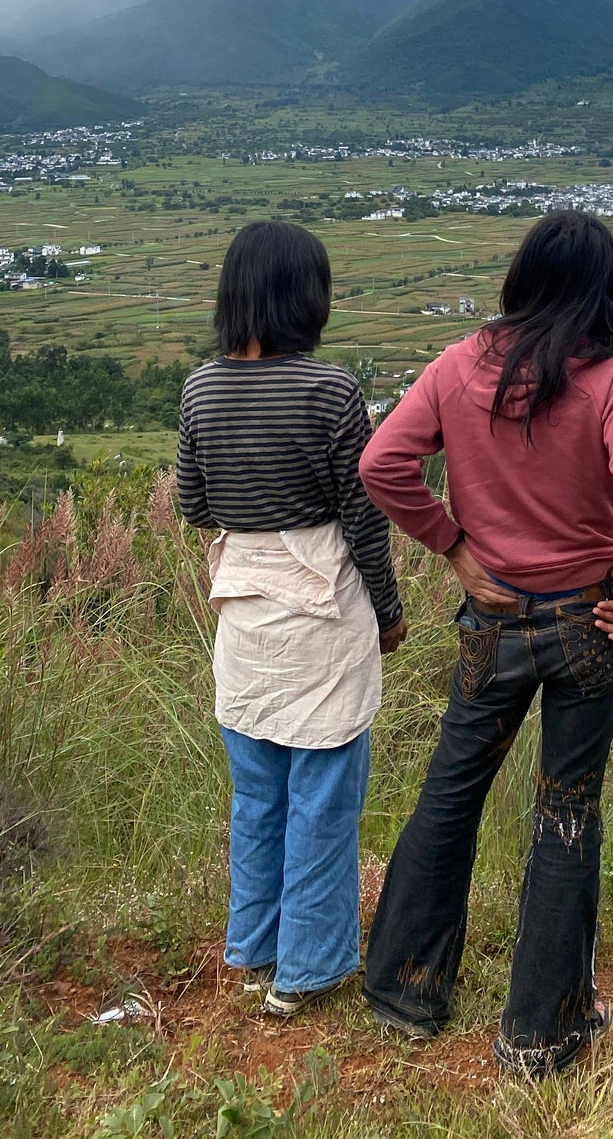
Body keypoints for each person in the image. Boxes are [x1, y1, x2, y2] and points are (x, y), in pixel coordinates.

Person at [358, 209, 613, 1073]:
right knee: (565, 811)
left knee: (450, 792)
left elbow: (381, 462)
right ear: (604, 292)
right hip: (586, 620)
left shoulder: (459, 365)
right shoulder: (611, 381)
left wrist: (453, 545)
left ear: (521, 278)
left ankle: (402, 991)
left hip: (491, 618)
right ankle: (541, 1030)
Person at [175, 221, 407, 1019]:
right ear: (306, 297)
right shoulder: (331, 391)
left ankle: (254, 948)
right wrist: (389, 610)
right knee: (323, 795)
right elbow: (364, 519)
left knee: (258, 795)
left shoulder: (200, 388)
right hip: (323, 611)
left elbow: (193, 505)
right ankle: (305, 970)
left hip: (243, 612)